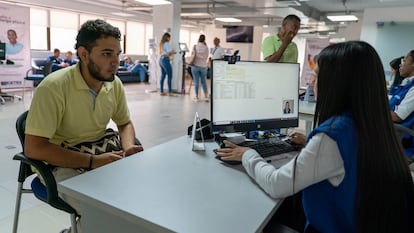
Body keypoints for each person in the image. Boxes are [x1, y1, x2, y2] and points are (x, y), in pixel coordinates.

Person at [217, 41, 414, 233]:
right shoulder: (373, 123)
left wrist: (247, 154)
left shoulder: (333, 135)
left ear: (337, 83)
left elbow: (276, 184)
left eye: (317, 75)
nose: (312, 82)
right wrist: (311, 142)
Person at [24, 19, 144, 233]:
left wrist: (128, 147)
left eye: (117, 54)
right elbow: (34, 148)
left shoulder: (113, 84)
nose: (116, 62)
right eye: (107, 54)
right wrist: (92, 161)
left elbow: (124, 123)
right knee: (108, 212)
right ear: (84, 53)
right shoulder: (53, 87)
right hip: (59, 162)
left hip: (99, 153)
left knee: (138, 201)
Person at [390, 50, 414, 150]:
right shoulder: (406, 84)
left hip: (399, 136)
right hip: (390, 129)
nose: (400, 65)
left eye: (404, 61)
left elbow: (397, 117)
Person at [190, 34, 209, 102]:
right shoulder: (206, 47)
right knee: (204, 82)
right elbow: (207, 56)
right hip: (203, 67)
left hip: (195, 66)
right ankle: (206, 96)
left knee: (196, 82)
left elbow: (192, 55)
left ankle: (197, 97)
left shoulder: (195, 46)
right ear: (204, 39)